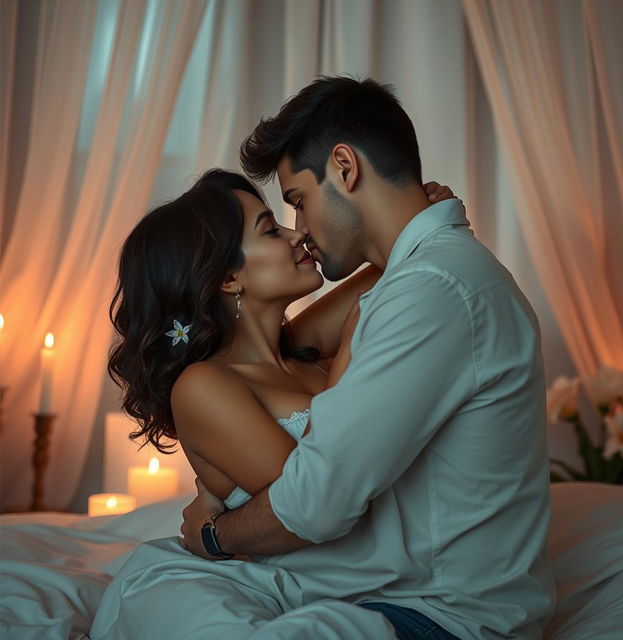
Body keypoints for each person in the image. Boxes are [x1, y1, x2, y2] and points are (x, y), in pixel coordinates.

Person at [178, 76, 556, 639]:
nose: (300, 232)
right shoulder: (425, 276)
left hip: (444, 619)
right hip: (413, 599)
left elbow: (316, 500)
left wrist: (214, 535)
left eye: (299, 202)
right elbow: (290, 345)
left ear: (345, 167)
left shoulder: (430, 291)